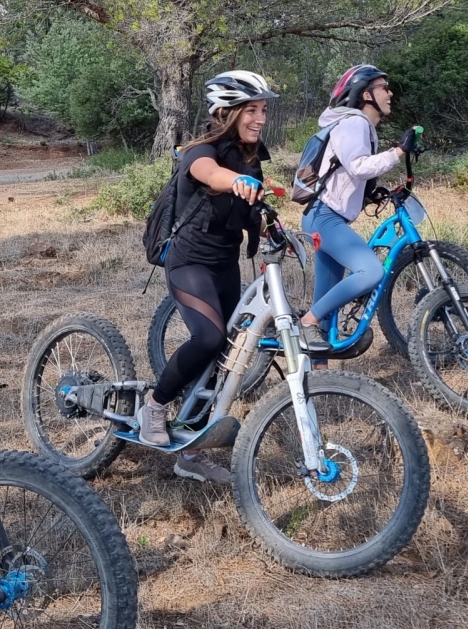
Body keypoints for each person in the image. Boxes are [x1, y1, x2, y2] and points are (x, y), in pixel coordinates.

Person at [134, 71, 279, 485]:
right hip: (190, 262)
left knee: (228, 352)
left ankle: (191, 450)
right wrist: (237, 181)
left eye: (263, 110)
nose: (260, 118)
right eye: (252, 110)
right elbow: (212, 176)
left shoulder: (252, 157)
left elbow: (248, 209)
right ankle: (155, 405)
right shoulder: (199, 151)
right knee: (210, 339)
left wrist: (271, 228)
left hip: (225, 263)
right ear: (228, 112)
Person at [298, 64, 420, 367]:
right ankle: (305, 324)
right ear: (366, 94)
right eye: (383, 88)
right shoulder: (354, 123)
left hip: (325, 217)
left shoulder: (360, 126)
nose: (390, 93)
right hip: (325, 219)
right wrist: (399, 153)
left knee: (326, 299)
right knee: (371, 272)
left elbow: (346, 174)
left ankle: (318, 369)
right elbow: (358, 166)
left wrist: (370, 194)